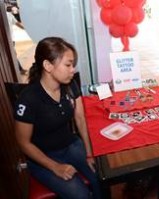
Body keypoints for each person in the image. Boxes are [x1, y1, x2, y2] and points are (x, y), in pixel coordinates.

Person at [14, 37, 101, 199]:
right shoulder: (28, 99)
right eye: (68, 65)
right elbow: (23, 143)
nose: (72, 70)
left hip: (71, 145)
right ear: (48, 66)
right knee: (80, 195)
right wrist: (55, 167)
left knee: (101, 177)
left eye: (73, 65)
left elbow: (80, 119)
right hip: (43, 157)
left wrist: (89, 153)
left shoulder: (70, 84)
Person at [6, 4, 27, 74]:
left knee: (13, 55)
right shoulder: (8, 15)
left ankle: (19, 70)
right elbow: (18, 24)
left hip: (10, 39)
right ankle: (19, 70)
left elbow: (18, 24)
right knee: (12, 55)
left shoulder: (9, 15)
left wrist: (27, 28)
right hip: (8, 40)